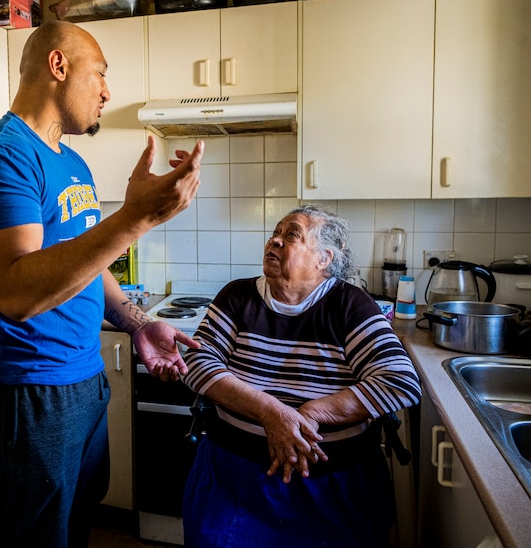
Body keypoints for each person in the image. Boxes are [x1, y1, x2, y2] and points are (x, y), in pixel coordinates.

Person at [0, 20, 204, 548]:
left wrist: (136, 322)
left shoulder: (73, 163)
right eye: (101, 74)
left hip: (83, 378)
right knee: (39, 537)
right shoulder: (1, 154)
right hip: (32, 385)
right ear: (58, 66)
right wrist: (135, 219)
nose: (108, 91)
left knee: (75, 522)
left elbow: (91, 265)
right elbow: (15, 291)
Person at [181, 204, 422, 548]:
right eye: (275, 233)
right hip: (233, 478)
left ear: (324, 258)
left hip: (332, 485)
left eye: (291, 234)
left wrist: (301, 418)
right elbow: (198, 364)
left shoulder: (349, 305)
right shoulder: (237, 297)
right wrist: (270, 412)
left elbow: (399, 381)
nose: (274, 241)